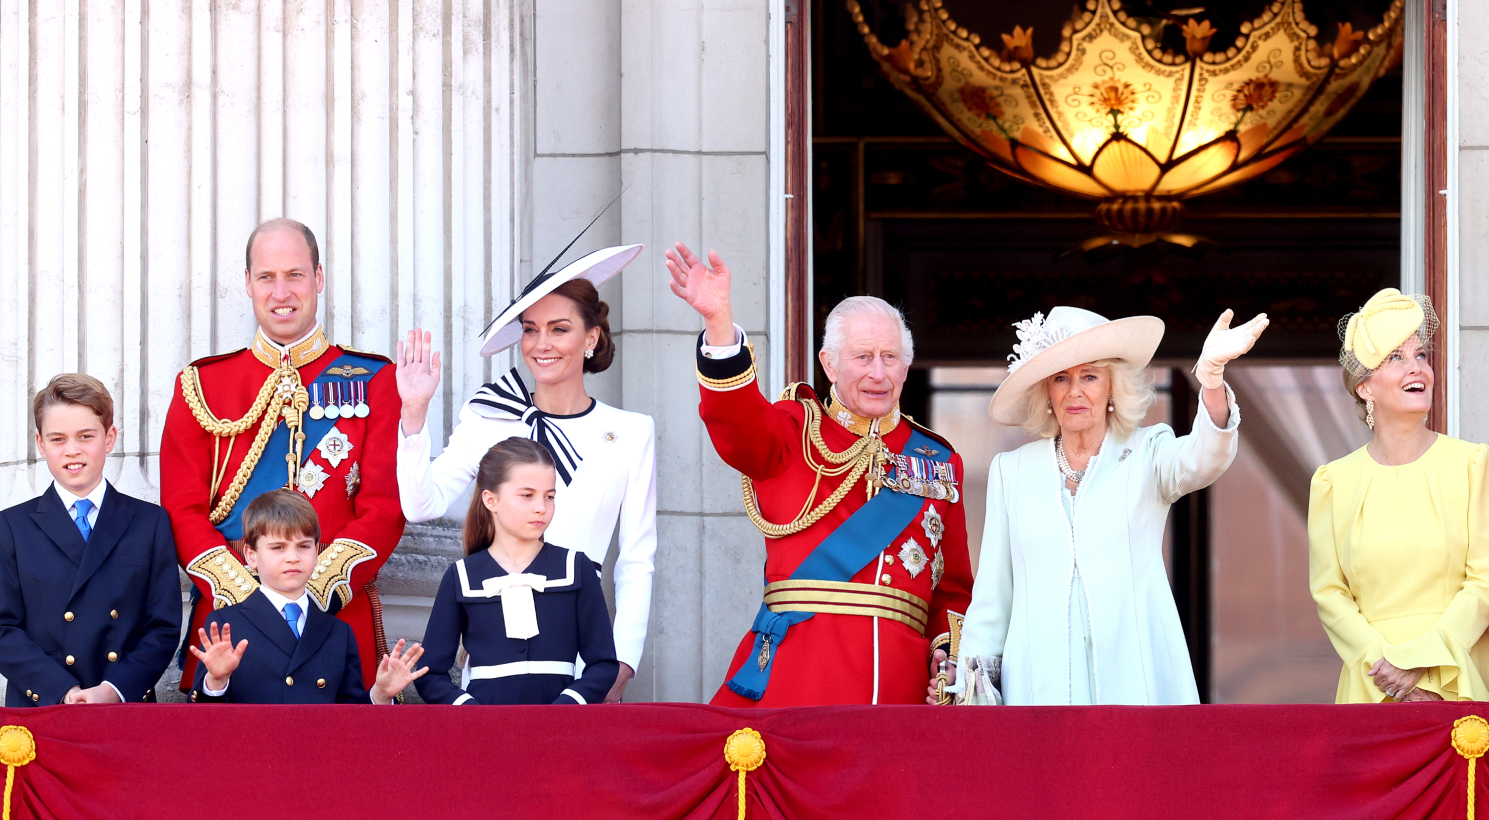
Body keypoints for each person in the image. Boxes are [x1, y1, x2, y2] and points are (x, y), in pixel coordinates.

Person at [668, 243, 973, 706]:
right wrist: (719, 324)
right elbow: (738, 424)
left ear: (907, 368)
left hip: (901, 692)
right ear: (829, 364)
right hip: (798, 681)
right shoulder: (795, 430)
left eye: (890, 357)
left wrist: (945, 661)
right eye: (862, 357)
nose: (878, 373)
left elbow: (952, 590)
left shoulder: (938, 461)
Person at [945, 303, 1266, 706]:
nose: (1075, 391)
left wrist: (1213, 379)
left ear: (1113, 386)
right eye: (1061, 378)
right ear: (1047, 390)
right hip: (1037, 686)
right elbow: (993, 594)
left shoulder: (1148, 452)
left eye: (1090, 376)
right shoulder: (1011, 471)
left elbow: (1204, 457)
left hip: (1137, 680)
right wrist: (973, 688)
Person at [394, 243, 653, 702]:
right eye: (530, 330)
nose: (541, 344)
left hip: (583, 657)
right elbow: (420, 506)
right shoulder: (489, 415)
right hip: (495, 660)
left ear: (591, 338)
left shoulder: (631, 432)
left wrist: (622, 664)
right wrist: (413, 416)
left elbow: (636, 559)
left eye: (559, 329)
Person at [160, 219, 406, 694]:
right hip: (230, 619)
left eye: (294, 275)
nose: (281, 291)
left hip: (333, 618)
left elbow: (385, 507)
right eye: (267, 277)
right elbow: (181, 508)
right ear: (248, 283)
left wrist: (313, 589)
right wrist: (246, 596)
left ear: (318, 278)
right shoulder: (202, 386)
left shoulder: (376, 381)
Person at [1308, 290, 1489, 703]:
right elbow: (1329, 593)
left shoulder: (1472, 463)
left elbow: (1485, 581)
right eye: (1396, 358)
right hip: (1371, 682)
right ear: (1365, 389)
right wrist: (1387, 670)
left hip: (1457, 674)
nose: (1418, 368)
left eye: (1422, 355)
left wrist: (1422, 663)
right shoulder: (1332, 482)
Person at [0, 375, 182, 705]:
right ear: (41, 444)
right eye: (58, 439)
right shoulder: (11, 527)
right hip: (43, 706)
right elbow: (3, 629)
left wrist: (114, 690)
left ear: (109, 437)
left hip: (124, 706)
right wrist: (62, 690)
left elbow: (163, 628)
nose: (73, 450)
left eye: (86, 436)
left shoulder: (149, 522)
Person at [415, 438, 621, 706]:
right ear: (491, 500)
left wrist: (567, 708)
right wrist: (471, 713)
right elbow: (429, 674)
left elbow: (603, 664)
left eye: (550, 496)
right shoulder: (462, 576)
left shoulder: (576, 568)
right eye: (527, 495)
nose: (541, 507)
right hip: (486, 734)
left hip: (562, 733)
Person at [189, 490, 422, 704]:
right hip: (251, 747)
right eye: (278, 547)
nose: (293, 557)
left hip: (320, 748)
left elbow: (350, 719)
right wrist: (216, 682)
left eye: (303, 546)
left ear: (316, 550)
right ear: (251, 555)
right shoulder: (226, 624)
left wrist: (380, 694)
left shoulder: (338, 632)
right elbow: (203, 724)